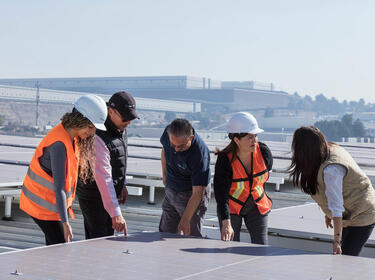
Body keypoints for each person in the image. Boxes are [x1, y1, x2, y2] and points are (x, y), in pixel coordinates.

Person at [20, 95, 108, 245]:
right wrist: (65, 222)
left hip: (50, 206)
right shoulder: (59, 145)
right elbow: (59, 187)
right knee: (59, 247)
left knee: (54, 249)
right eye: (90, 127)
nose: (92, 132)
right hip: (42, 206)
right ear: (80, 120)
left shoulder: (73, 137)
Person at [289, 126, 375, 256]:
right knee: (344, 257)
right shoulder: (329, 151)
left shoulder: (331, 169)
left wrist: (336, 241)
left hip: (363, 214)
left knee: (346, 257)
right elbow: (333, 193)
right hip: (353, 211)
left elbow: (336, 206)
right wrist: (327, 213)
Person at [76, 91, 139, 239]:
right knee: (98, 239)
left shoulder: (120, 128)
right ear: (111, 111)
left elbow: (121, 156)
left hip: (108, 193)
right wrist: (116, 213)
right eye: (125, 118)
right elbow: (103, 176)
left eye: (131, 118)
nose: (128, 122)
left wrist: (122, 184)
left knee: (107, 237)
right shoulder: (98, 135)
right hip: (94, 195)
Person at [214, 112, 273, 244]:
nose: (255, 141)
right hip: (232, 207)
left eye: (256, 136)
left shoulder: (264, 153)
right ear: (236, 140)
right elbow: (221, 195)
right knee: (230, 246)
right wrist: (226, 222)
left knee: (261, 247)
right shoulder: (225, 160)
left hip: (258, 205)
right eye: (249, 137)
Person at [159, 118, 211, 237]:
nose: (176, 149)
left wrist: (186, 219)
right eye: (173, 145)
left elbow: (198, 192)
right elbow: (164, 150)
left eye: (181, 147)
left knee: (190, 233)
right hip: (171, 188)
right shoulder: (168, 132)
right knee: (165, 232)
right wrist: (164, 175)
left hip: (191, 193)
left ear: (190, 139)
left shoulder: (200, 154)